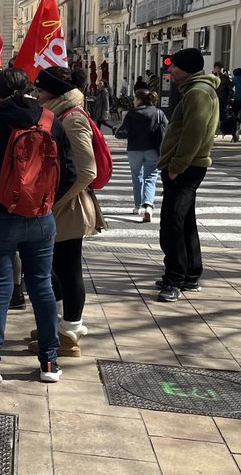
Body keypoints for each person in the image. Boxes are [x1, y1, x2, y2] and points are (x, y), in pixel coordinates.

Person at [0, 68, 76, 385]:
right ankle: (49, 362)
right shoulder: (51, 122)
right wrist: (47, 201)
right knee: (41, 286)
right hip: (41, 216)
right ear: (29, 89)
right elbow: (69, 171)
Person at [33, 66, 105, 357]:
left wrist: (56, 202)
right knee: (56, 270)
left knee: (69, 269)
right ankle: (58, 326)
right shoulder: (58, 112)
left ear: (54, 91)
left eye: (40, 88)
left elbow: (87, 171)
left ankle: (70, 333)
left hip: (70, 206)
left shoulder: (72, 118)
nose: (36, 92)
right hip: (61, 202)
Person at [156, 48, 218, 302]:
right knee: (186, 222)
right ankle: (191, 273)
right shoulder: (197, 90)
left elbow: (193, 134)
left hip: (186, 167)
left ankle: (175, 278)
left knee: (172, 223)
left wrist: (176, 166)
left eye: (175, 67)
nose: (170, 71)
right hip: (188, 166)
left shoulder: (197, 93)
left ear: (187, 69)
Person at [115, 89, 168, 223]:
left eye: (134, 98)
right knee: (150, 176)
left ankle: (137, 206)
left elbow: (124, 132)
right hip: (152, 149)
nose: (133, 100)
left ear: (139, 100)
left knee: (136, 176)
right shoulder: (158, 112)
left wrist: (117, 131)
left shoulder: (132, 113)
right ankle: (148, 205)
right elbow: (166, 129)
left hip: (134, 150)